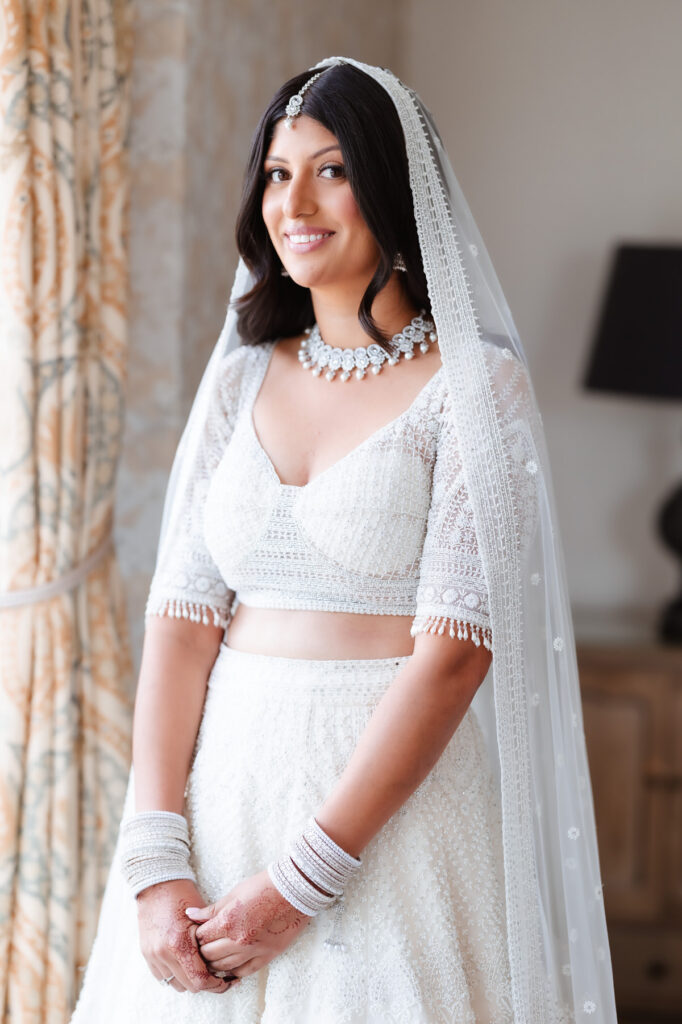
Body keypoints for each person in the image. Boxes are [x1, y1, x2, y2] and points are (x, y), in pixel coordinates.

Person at [71, 58, 617, 1023]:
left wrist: (302, 884)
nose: (297, 201)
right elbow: (183, 623)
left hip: (390, 829)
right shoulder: (241, 380)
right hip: (223, 797)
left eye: (332, 169)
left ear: (393, 187)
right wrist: (156, 855)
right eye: (278, 174)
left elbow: (452, 658)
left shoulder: (476, 390)